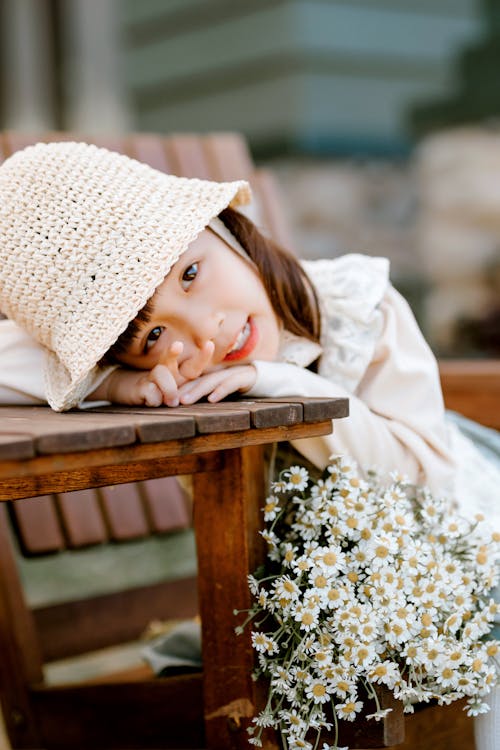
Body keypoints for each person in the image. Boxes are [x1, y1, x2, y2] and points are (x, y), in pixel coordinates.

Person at [0, 142, 499, 748]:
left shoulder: (357, 305)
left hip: (460, 537)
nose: (204, 332)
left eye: (189, 274)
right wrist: (117, 382)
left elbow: (429, 481)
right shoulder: (167, 377)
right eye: (155, 334)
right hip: (317, 605)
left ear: (224, 228)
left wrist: (288, 389)